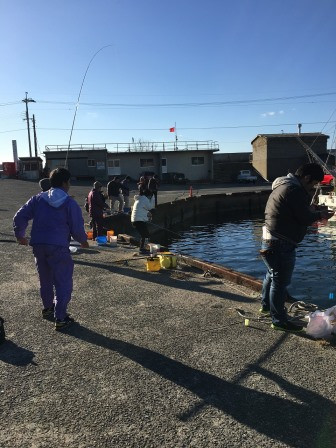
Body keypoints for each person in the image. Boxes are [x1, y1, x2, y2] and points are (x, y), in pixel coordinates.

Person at [260, 163, 334, 332]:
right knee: (280, 282)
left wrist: (315, 209)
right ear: (306, 178)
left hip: (269, 239)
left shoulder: (283, 186)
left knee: (271, 275)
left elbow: (295, 210)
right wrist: (322, 214)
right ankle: (278, 320)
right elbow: (305, 217)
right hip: (281, 242)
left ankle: (265, 307)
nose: (313, 187)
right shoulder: (294, 190)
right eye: (313, 183)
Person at [13, 167, 89, 331]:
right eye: (69, 182)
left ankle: (48, 308)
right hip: (58, 247)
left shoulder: (37, 199)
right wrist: (83, 241)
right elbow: (76, 228)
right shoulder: (70, 203)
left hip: (38, 245)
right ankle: (60, 318)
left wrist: (20, 235)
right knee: (62, 282)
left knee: (45, 279)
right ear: (65, 182)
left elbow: (20, 216)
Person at [131, 189, 155, 254]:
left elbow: (143, 209)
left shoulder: (139, 199)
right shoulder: (145, 199)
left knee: (144, 234)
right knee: (146, 235)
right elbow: (151, 207)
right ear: (148, 195)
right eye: (150, 196)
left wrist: (148, 215)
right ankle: (142, 249)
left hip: (135, 220)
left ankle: (142, 248)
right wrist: (153, 198)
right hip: (139, 221)